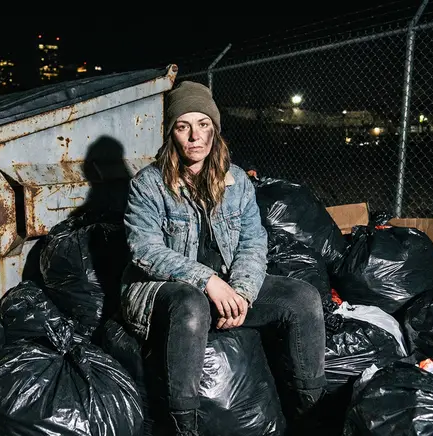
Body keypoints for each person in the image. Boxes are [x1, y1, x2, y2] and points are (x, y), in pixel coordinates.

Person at [120, 81, 326, 435]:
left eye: (203, 125)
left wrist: (243, 292)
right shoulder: (148, 184)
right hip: (162, 292)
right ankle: (183, 427)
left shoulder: (237, 183)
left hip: (226, 287)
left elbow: (253, 243)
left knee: (303, 298)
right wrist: (208, 281)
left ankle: (312, 418)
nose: (194, 137)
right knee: (191, 303)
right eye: (183, 126)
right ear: (172, 134)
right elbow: (145, 250)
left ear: (214, 130)